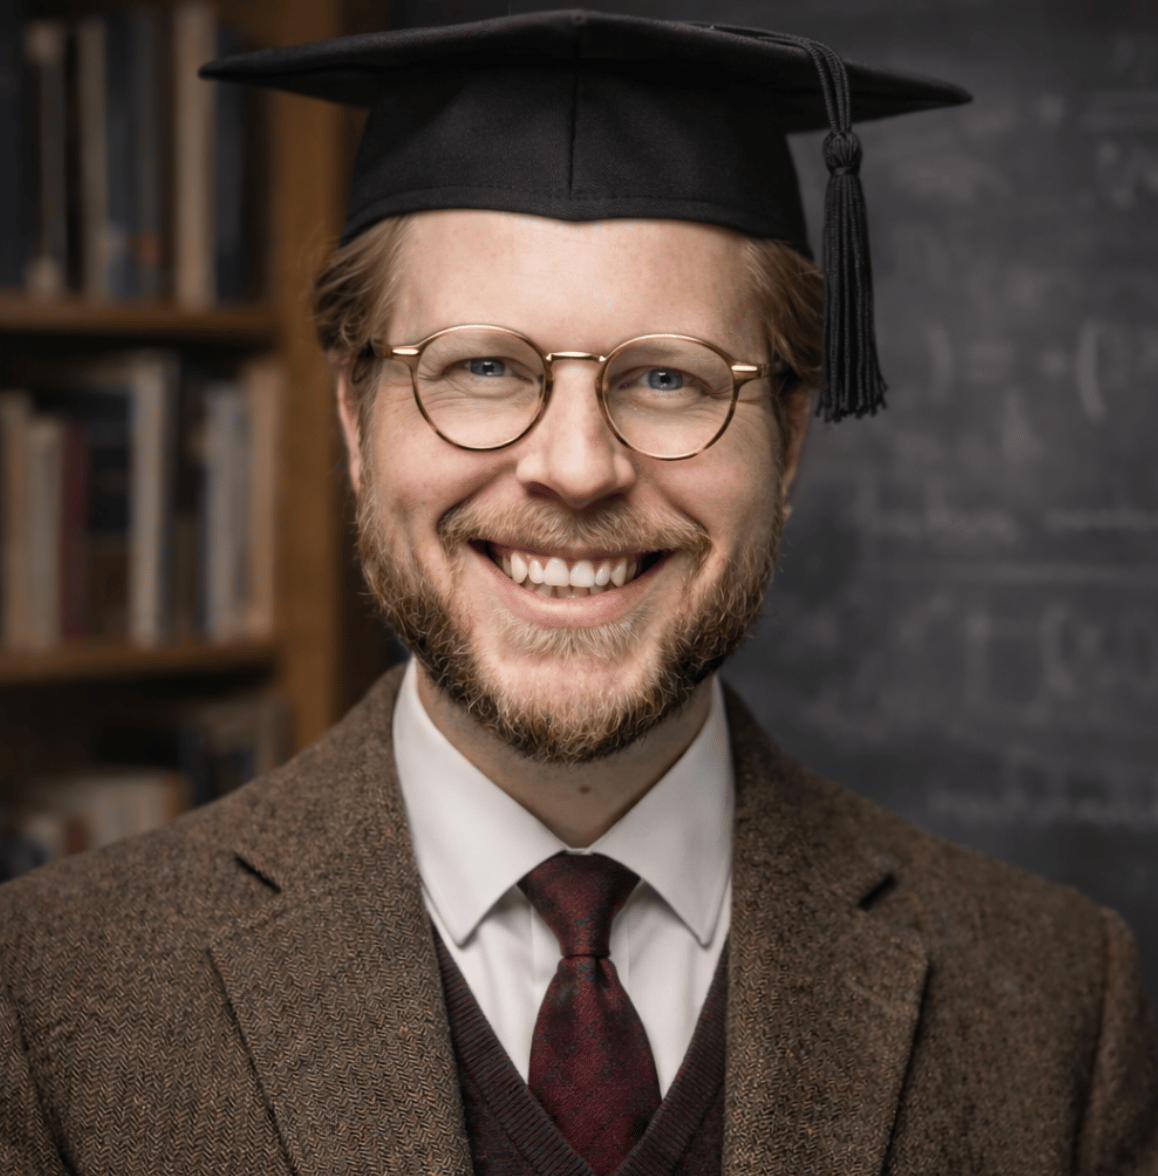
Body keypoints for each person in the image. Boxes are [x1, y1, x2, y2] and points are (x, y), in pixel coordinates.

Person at [2, 10, 1156, 1174]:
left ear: (790, 442)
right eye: (483, 368)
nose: (576, 467)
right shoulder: (52, 1000)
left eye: (667, 378)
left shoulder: (1055, 1009)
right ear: (356, 418)